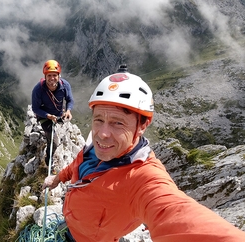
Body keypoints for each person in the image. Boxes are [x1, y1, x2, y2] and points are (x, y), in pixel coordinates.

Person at [43, 68, 245, 241]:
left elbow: (175, 213)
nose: (102, 134)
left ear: (142, 125)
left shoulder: (144, 178)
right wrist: (57, 179)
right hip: (70, 225)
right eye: (98, 120)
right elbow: (77, 165)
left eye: (118, 122)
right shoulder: (95, 148)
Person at [32, 60, 74, 168]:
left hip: (59, 114)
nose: (52, 78)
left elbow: (70, 100)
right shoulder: (38, 89)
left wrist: (68, 110)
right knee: (53, 141)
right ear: (45, 76)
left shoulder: (65, 86)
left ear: (59, 75)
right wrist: (48, 116)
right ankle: (49, 162)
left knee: (56, 137)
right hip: (44, 117)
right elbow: (35, 108)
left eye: (54, 75)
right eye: (49, 75)